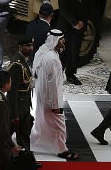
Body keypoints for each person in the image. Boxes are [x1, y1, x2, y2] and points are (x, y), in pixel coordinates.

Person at [30, 29, 78, 160]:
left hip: (41, 94)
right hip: (50, 99)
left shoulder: (42, 50)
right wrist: (55, 105)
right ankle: (62, 150)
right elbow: (53, 85)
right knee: (59, 125)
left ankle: (42, 143)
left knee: (43, 121)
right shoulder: (52, 59)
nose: (64, 41)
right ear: (55, 41)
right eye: (62, 39)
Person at [58, 0, 93, 86]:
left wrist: (82, 22)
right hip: (67, 26)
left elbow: (89, 7)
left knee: (75, 50)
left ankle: (71, 74)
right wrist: (74, 22)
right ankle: (58, 73)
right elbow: (63, 9)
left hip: (80, 26)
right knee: (63, 51)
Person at [8, 36, 35, 150]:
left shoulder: (23, 60)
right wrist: (14, 113)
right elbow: (12, 91)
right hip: (18, 106)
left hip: (24, 105)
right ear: (20, 47)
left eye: (31, 46)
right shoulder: (17, 64)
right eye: (27, 46)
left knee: (24, 133)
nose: (30, 48)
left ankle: (26, 159)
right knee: (8, 132)